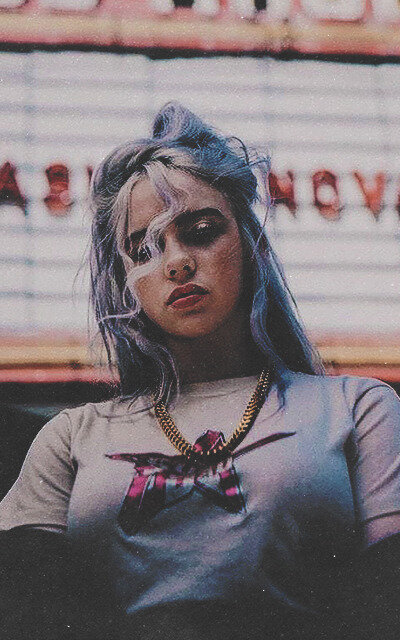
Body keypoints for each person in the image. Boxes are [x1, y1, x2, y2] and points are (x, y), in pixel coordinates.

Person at [0, 102, 400, 640]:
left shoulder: (360, 409)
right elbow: (24, 609)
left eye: (202, 230)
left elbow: (388, 599)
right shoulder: (70, 438)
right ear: (125, 281)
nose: (176, 262)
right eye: (144, 247)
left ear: (252, 247)